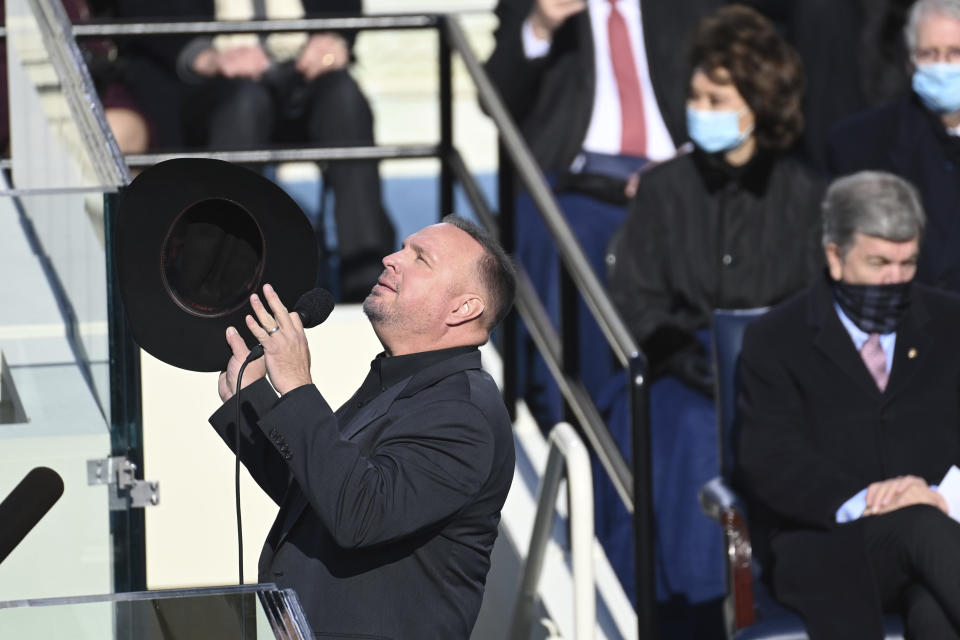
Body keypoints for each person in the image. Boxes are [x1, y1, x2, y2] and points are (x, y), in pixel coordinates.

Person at [597, 7, 822, 632]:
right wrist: (682, 354)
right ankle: (693, 606)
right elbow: (635, 299)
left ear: (758, 102)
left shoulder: (805, 195)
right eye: (696, 95)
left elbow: (816, 303)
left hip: (776, 373)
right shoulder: (665, 189)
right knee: (692, 425)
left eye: (717, 97)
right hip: (677, 370)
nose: (701, 107)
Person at [208, 216, 517, 638]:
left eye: (420, 259)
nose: (391, 259)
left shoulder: (464, 414)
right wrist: (251, 400)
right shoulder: (401, 381)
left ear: (464, 308)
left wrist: (298, 386)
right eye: (402, 248)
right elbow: (318, 494)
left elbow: (360, 514)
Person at [738, 171, 960, 639]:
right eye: (879, 263)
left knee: (935, 612)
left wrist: (941, 495)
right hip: (835, 544)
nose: (894, 280)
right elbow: (771, 458)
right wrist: (870, 499)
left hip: (943, 531)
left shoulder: (950, 323)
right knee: (919, 526)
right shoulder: (778, 338)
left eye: (908, 263)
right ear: (835, 257)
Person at [483, 0, 723, 429]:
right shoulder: (538, 8)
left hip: (680, 171)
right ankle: (579, 427)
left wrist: (681, 167)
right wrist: (540, 26)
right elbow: (495, 98)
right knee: (560, 235)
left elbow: (735, 84)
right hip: (578, 180)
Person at [175, 0, 395, 302]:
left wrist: (334, 38)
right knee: (244, 106)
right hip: (215, 81)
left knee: (344, 100)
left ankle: (365, 280)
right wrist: (205, 57)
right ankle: (223, 280)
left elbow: (343, 11)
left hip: (305, 71)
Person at [828, 0, 960, 293]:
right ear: (909, 62)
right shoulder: (859, 143)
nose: (943, 67)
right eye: (929, 54)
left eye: (955, 53)